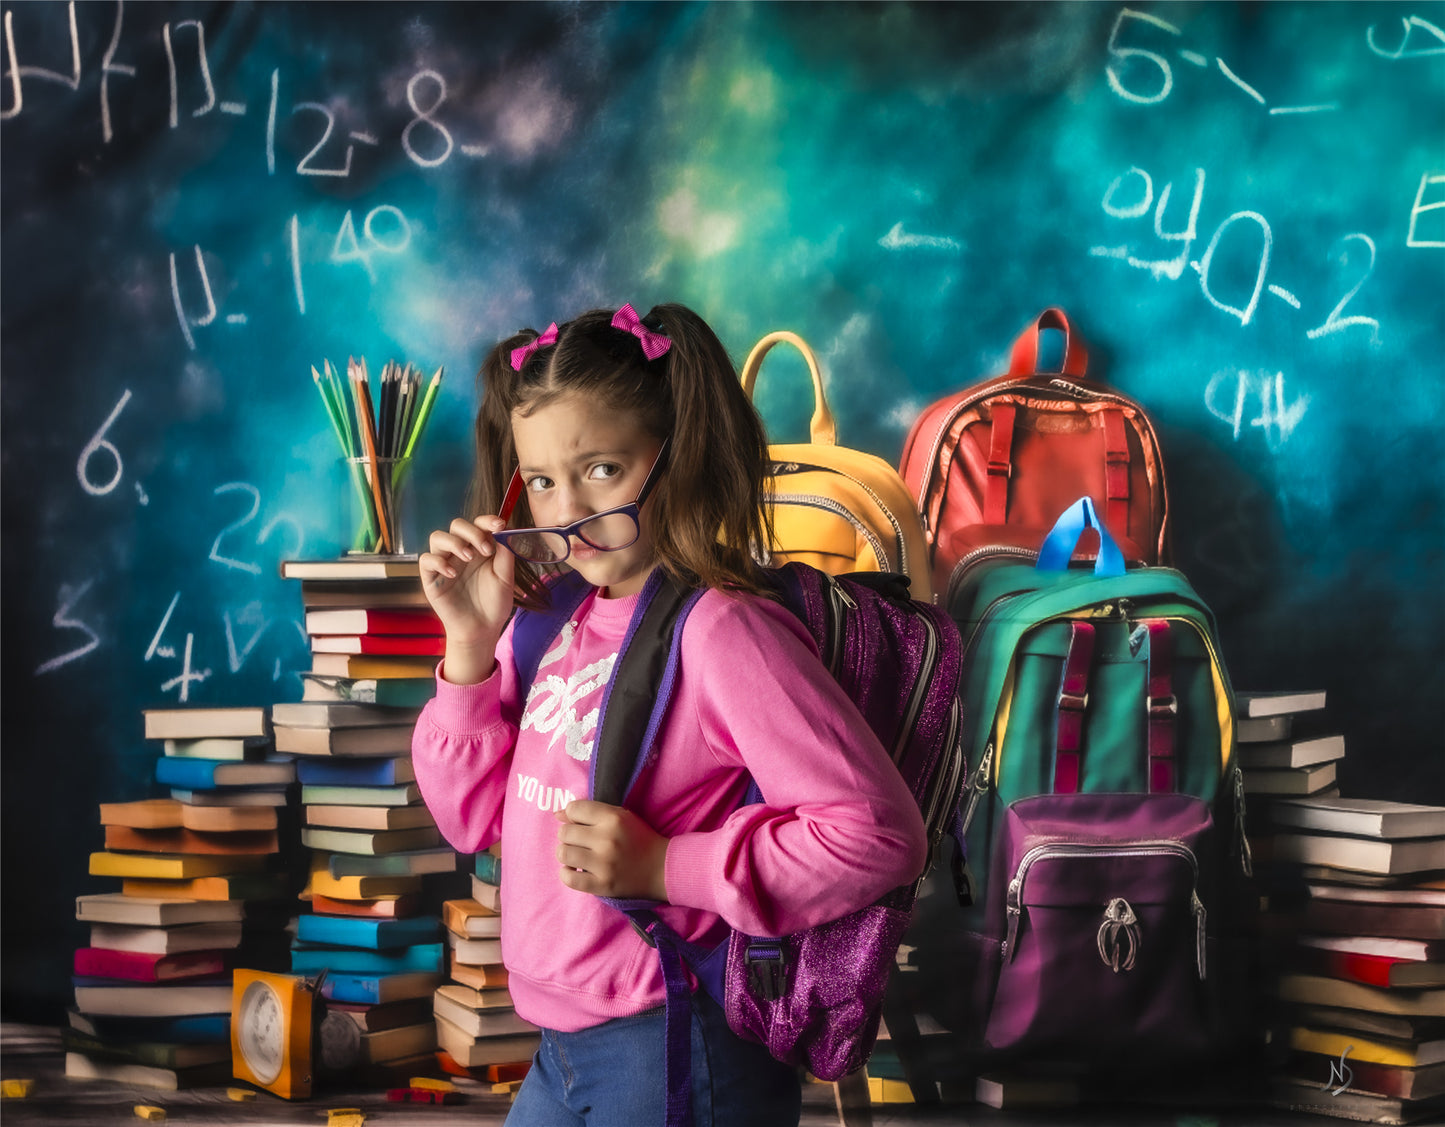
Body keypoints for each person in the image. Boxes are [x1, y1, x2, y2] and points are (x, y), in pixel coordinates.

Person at [411, 301, 928, 1127]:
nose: (567, 509)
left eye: (602, 470)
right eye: (541, 480)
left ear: (674, 457)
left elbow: (879, 835)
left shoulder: (724, 631)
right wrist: (470, 645)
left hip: (677, 1046)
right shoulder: (551, 619)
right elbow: (467, 819)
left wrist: (666, 869)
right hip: (558, 1048)